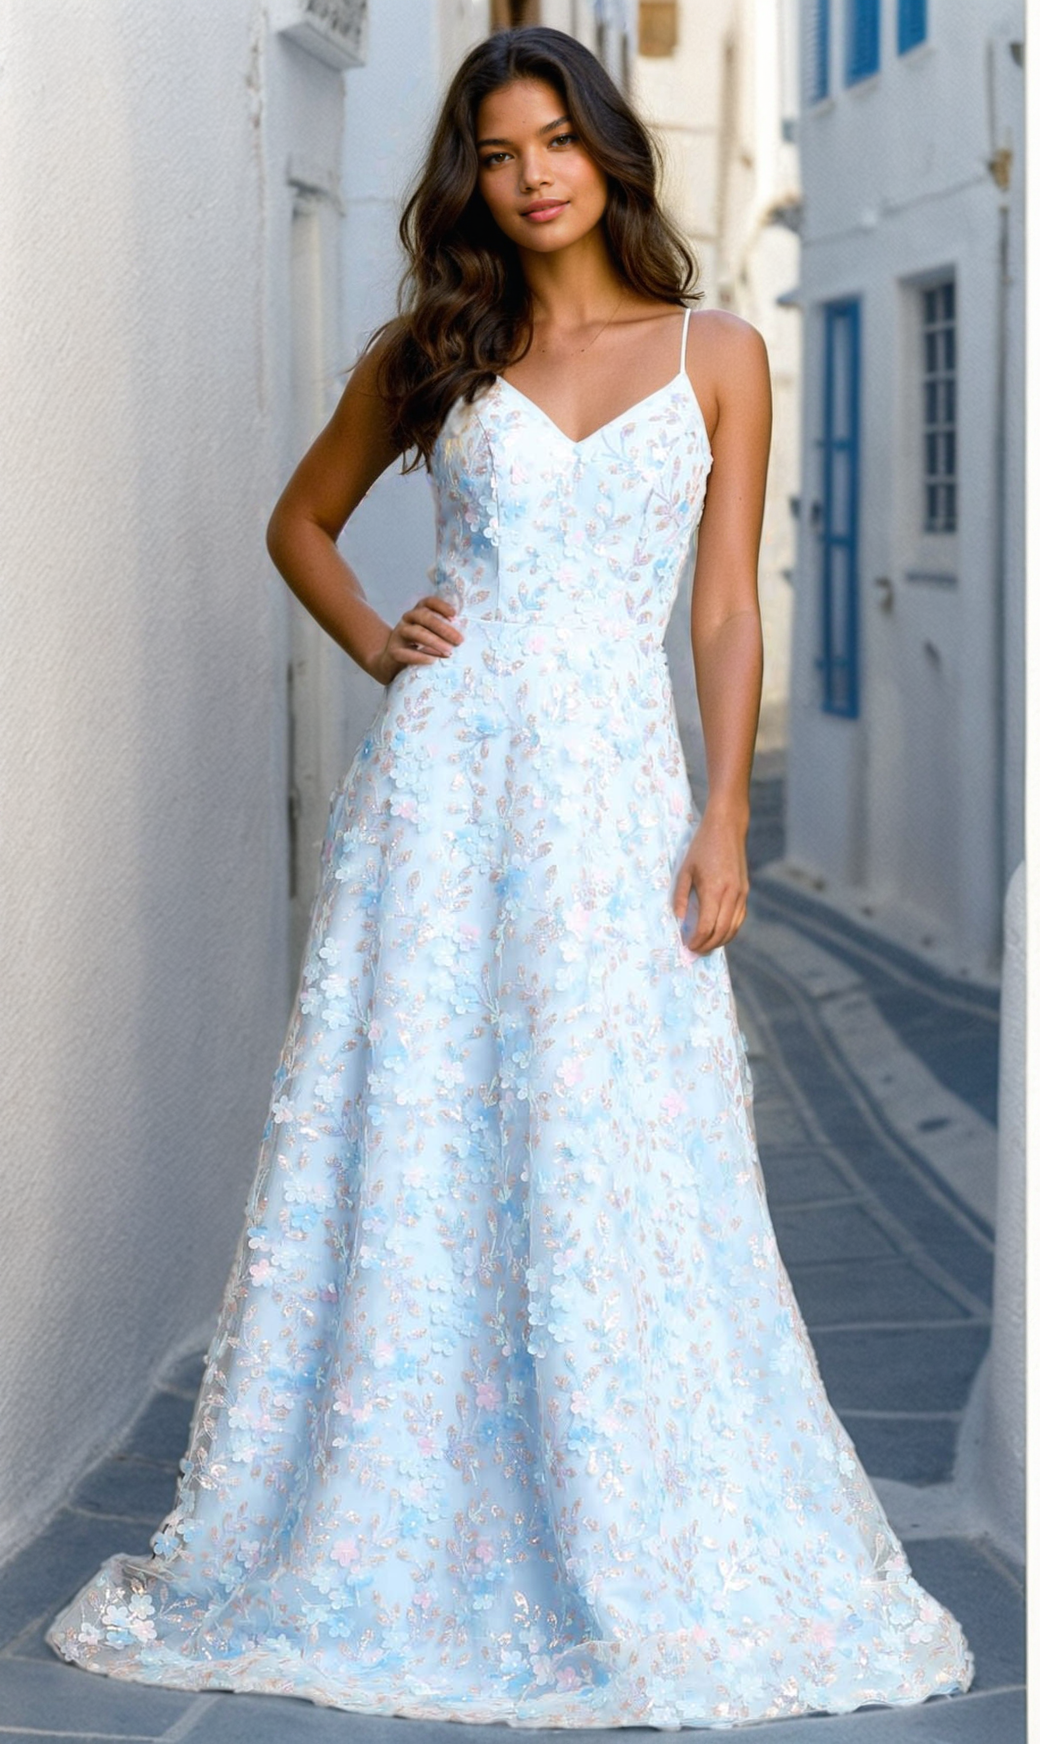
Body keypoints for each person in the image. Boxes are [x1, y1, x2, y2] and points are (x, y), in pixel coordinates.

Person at [46, 25, 975, 1729]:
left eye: (559, 137)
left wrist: (721, 817)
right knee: (418, 1129)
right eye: (499, 149)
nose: (534, 170)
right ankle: (406, 1497)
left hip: (612, 799)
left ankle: (627, 1505)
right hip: (448, 795)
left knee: (608, 1130)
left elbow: (723, 606)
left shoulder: (720, 353)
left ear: (609, 149)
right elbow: (299, 522)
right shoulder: (438, 349)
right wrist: (383, 652)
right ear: (471, 178)